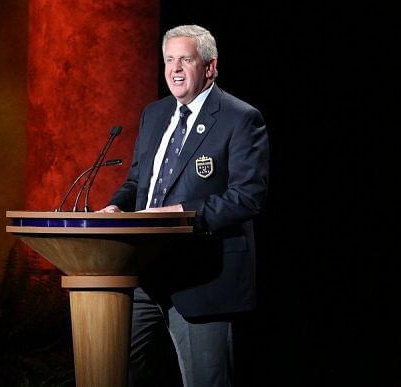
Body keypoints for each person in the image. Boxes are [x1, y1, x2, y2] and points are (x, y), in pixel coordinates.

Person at [98, 24, 269, 387]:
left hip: (202, 276)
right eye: (169, 60)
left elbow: (247, 196)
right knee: (114, 367)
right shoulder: (155, 114)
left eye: (186, 60)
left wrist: (182, 214)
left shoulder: (240, 118)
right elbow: (136, 182)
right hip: (144, 271)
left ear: (210, 67)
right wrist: (115, 206)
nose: (175, 69)